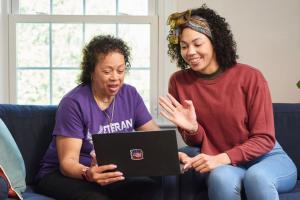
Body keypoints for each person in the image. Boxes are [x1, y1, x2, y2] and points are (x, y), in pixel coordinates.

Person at [159, 5, 297, 200]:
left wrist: (221, 158)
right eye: (183, 46)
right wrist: (192, 128)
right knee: (220, 178)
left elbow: (264, 138)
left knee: (256, 177)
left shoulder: (250, 77)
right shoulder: (179, 82)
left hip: (267, 158)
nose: (190, 52)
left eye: (197, 44)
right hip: (227, 165)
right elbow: (197, 142)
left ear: (215, 41)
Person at [36, 35, 161, 200]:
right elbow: (67, 162)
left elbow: (155, 138)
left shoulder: (130, 94)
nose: (115, 77)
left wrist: (173, 153)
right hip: (61, 174)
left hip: (109, 172)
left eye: (121, 70)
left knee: (148, 188)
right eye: (107, 71)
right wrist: (88, 173)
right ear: (91, 72)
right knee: (96, 197)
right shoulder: (73, 103)